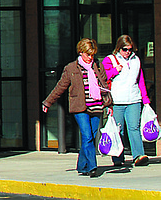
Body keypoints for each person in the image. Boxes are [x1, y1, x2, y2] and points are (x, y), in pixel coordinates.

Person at [42, 38, 110, 178]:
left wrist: (109, 104)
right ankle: (92, 167)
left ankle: (82, 166)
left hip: (96, 106)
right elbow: (60, 87)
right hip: (80, 107)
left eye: (92, 55)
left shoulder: (97, 66)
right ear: (81, 52)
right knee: (87, 136)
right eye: (88, 54)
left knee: (90, 137)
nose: (90, 58)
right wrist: (48, 102)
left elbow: (105, 86)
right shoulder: (71, 68)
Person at [103, 34, 151, 167]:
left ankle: (138, 156)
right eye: (125, 49)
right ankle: (118, 157)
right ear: (119, 48)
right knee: (119, 130)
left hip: (134, 99)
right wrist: (114, 70)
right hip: (117, 100)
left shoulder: (136, 60)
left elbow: (140, 80)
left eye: (130, 49)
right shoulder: (110, 60)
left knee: (134, 127)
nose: (127, 52)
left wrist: (145, 99)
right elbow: (102, 76)